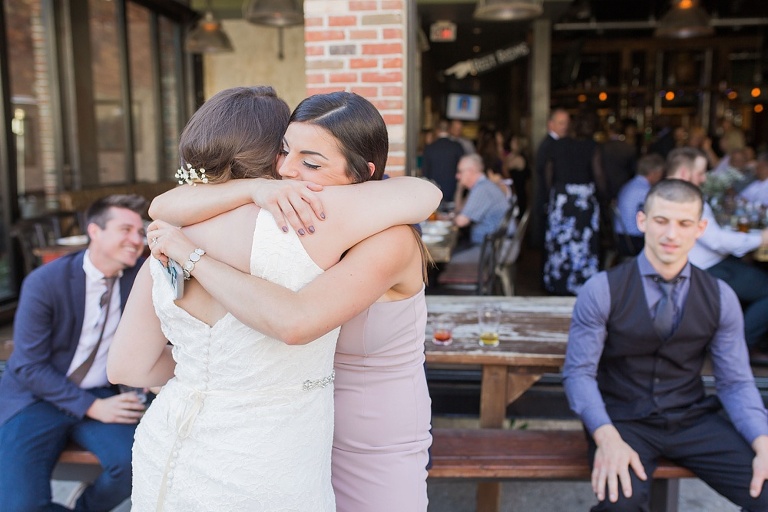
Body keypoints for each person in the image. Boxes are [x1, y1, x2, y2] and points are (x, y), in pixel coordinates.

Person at [108, 88, 439, 511]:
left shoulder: (383, 236)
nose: (286, 170)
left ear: (363, 173)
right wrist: (254, 189)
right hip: (290, 436)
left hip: (368, 433)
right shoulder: (293, 223)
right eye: (283, 152)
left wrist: (193, 258)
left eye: (311, 162)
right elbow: (162, 206)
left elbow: (295, 320)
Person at [563, 178, 768, 512]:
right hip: (624, 420)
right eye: (661, 221)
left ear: (700, 229)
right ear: (642, 221)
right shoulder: (602, 289)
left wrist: (763, 441)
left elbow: (735, 382)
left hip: (692, 419)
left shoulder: (721, 297)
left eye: (684, 224)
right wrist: (605, 436)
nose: (671, 234)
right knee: (621, 505)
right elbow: (578, 374)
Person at [0, 194, 148, 511]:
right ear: (94, 231)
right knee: (19, 505)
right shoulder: (45, 282)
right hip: (36, 397)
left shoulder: (140, 280)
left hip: (101, 391)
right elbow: (28, 367)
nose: (137, 240)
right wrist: (92, 406)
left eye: (140, 232)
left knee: (136, 465)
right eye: (125, 230)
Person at [666, 147, 768, 363]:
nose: (704, 178)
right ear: (684, 173)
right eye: (701, 173)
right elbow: (717, 241)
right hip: (704, 268)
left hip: (705, 262)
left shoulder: (665, 193)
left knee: (751, 270)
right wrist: (760, 239)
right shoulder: (686, 199)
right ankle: (740, 348)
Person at [543, 108, 603, 296]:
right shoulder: (592, 146)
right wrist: (605, 197)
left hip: (562, 199)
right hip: (583, 200)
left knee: (559, 243)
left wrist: (554, 195)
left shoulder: (557, 145)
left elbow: (548, 174)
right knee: (583, 244)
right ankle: (581, 283)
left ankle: (557, 282)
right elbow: (598, 174)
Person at [453, 153, 511, 248]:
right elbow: (459, 209)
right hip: (491, 244)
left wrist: (446, 219)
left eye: (460, 172)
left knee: (449, 256)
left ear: (470, 171)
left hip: (490, 248)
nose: (457, 176)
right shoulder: (482, 186)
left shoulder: (481, 189)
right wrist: (460, 189)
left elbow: (461, 221)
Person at [532, 107, 569, 249]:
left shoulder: (554, 143)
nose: (565, 127)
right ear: (551, 124)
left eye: (566, 123)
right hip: (547, 200)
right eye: (561, 123)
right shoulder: (550, 145)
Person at [614, 153, 665, 256]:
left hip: (621, 236)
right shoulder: (644, 190)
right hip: (633, 239)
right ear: (654, 173)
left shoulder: (629, 185)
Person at [422, 119, 465, 206]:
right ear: (449, 130)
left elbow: (425, 172)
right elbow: (463, 168)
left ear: (437, 130)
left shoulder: (429, 148)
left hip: (434, 190)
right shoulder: (457, 146)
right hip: (453, 189)